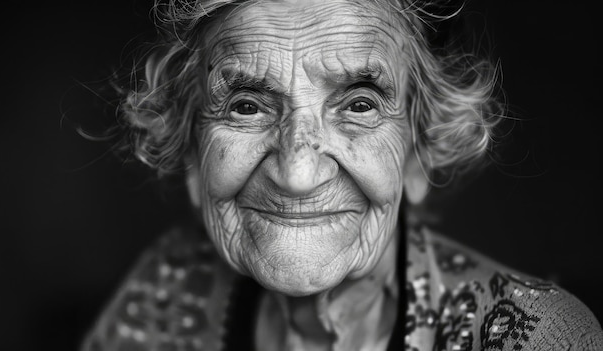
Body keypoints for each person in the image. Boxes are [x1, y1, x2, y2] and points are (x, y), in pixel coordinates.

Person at [81, 0, 603, 350]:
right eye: (245, 106)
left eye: (358, 104)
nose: (298, 173)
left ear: (417, 154)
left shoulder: (531, 337)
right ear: (193, 155)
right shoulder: (161, 292)